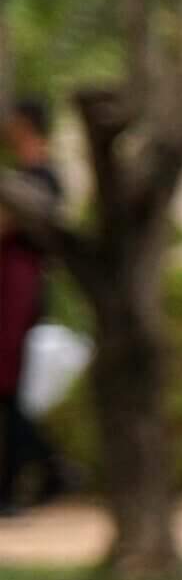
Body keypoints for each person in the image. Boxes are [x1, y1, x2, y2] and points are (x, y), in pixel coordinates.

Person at [0, 97, 66, 513]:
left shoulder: (42, 179)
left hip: (18, 293)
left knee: (6, 391)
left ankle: (48, 469)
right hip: (9, 288)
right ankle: (38, 474)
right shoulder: (24, 177)